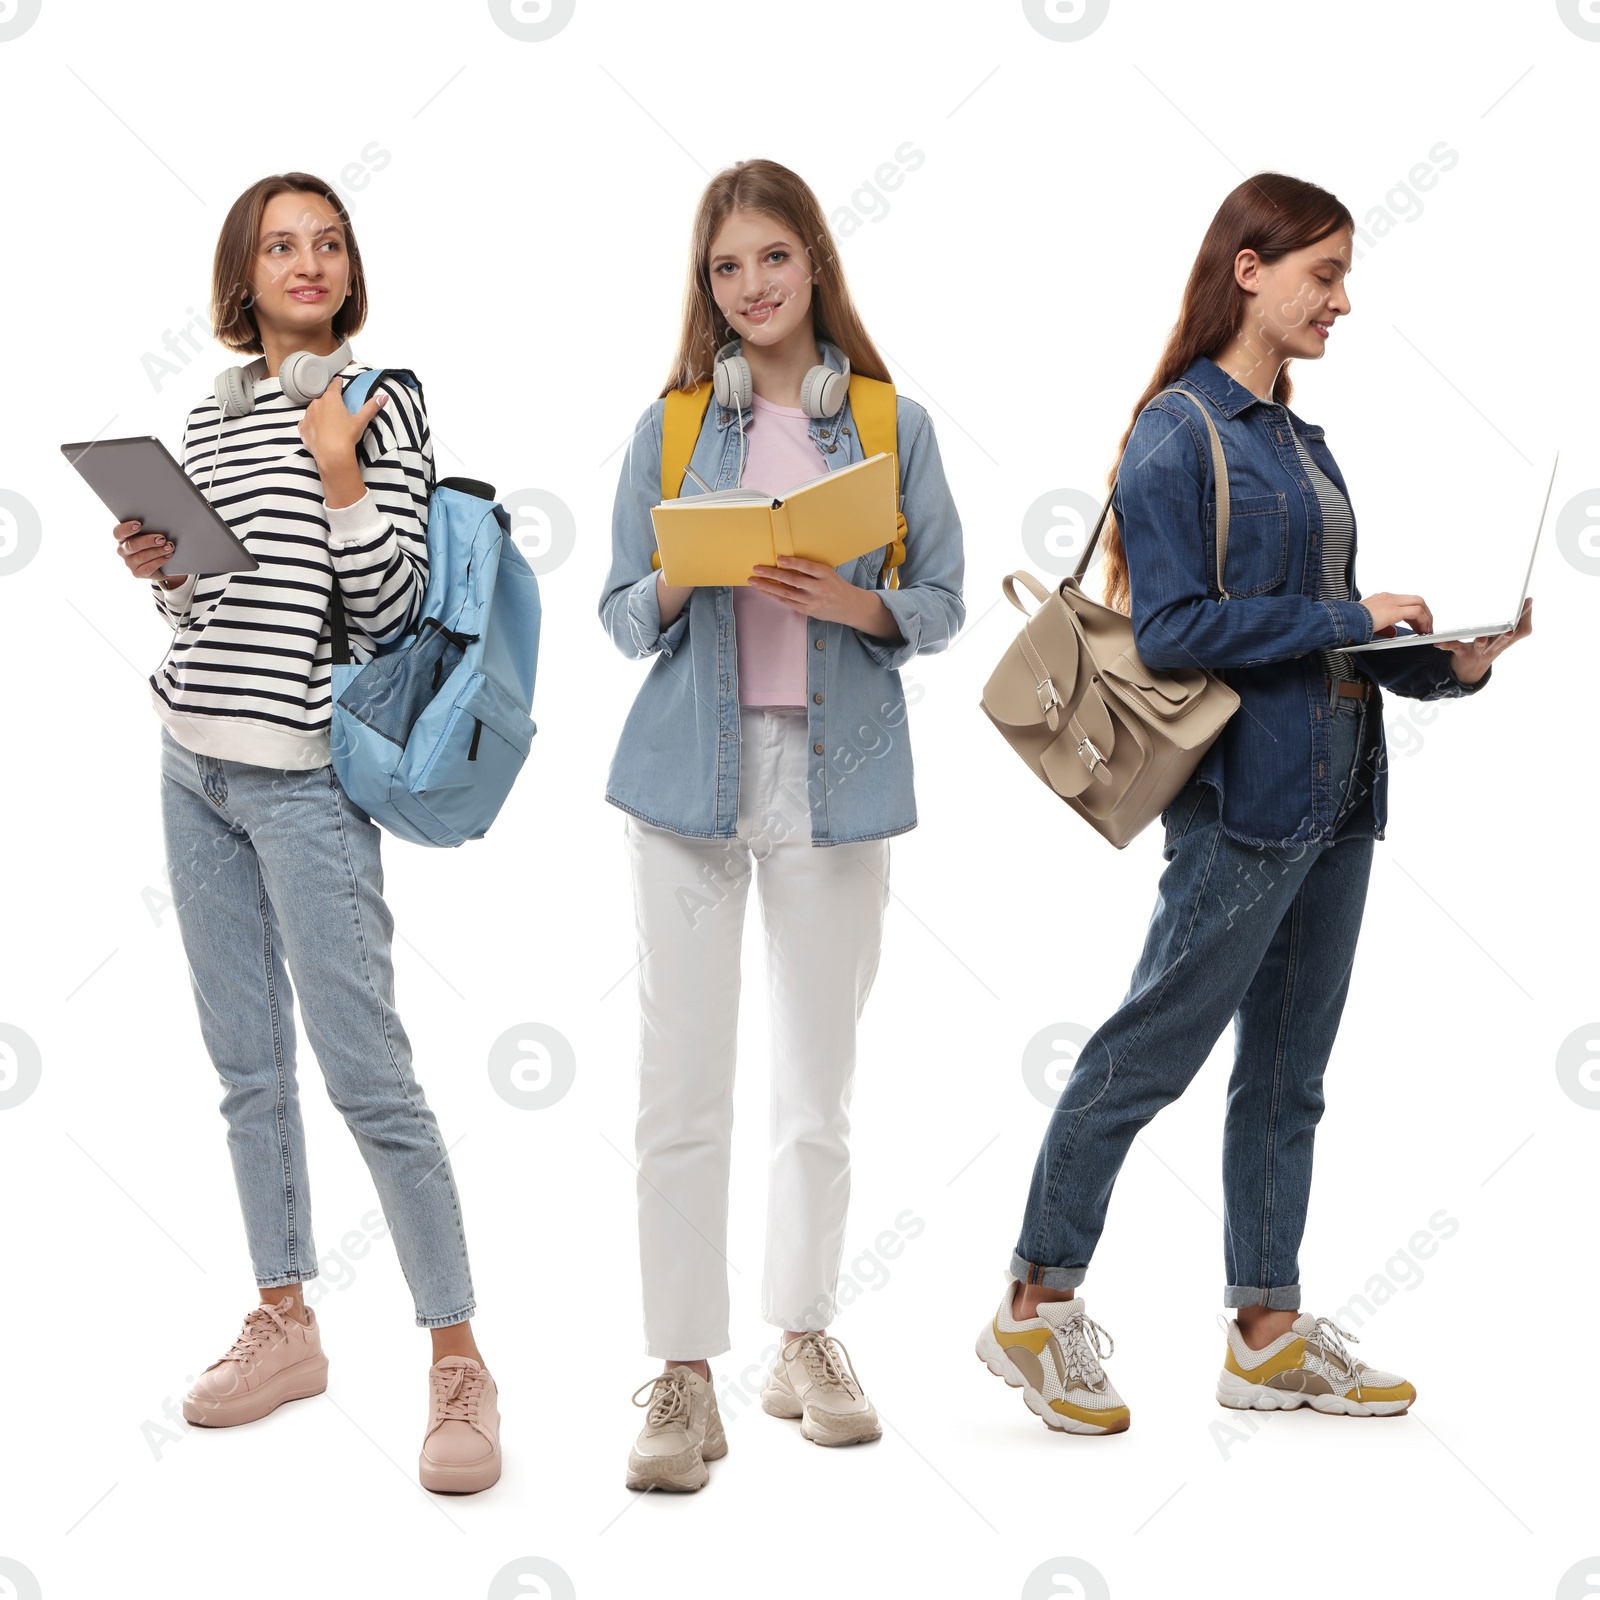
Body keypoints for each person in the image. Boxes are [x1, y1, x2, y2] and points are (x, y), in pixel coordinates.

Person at [977, 171, 1531, 1434]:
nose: (1342, 301)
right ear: (1249, 269)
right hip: (1243, 800)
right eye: (1323, 275)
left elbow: (1318, 642)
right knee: (1147, 1051)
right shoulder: (1181, 431)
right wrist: (1350, 612)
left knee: (1289, 1072)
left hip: (1340, 793)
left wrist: (1440, 665)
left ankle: (1266, 1333)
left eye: (1341, 277)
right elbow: (1171, 633)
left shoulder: (1298, 439)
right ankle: (1031, 1303)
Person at [112, 173, 501, 1493]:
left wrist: (341, 471)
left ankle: (458, 1360)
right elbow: (206, 615)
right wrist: (165, 570)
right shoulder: (209, 416)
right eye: (282, 244)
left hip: (304, 782)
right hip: (191, 767)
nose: (308, 261)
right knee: (246, 1072)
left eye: (327, 242)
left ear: (348, 269)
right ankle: (284, 1321)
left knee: (372, 1083)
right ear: (245, 270)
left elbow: (389, 610)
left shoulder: (382, 401)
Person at [599, 158, 965, 1491]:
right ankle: (682, 1376)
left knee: (820, 1088)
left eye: (770, 259)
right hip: (684, 786)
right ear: (707, 289)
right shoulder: (677, 422)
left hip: (836, 779)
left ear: (815, 261)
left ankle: (802, 1338)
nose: (749, 287)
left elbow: (941, 603)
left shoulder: (885, 418)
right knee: (678, 1091)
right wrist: (685, 574)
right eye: (724, 268)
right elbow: (617, 610)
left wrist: (851, 602)